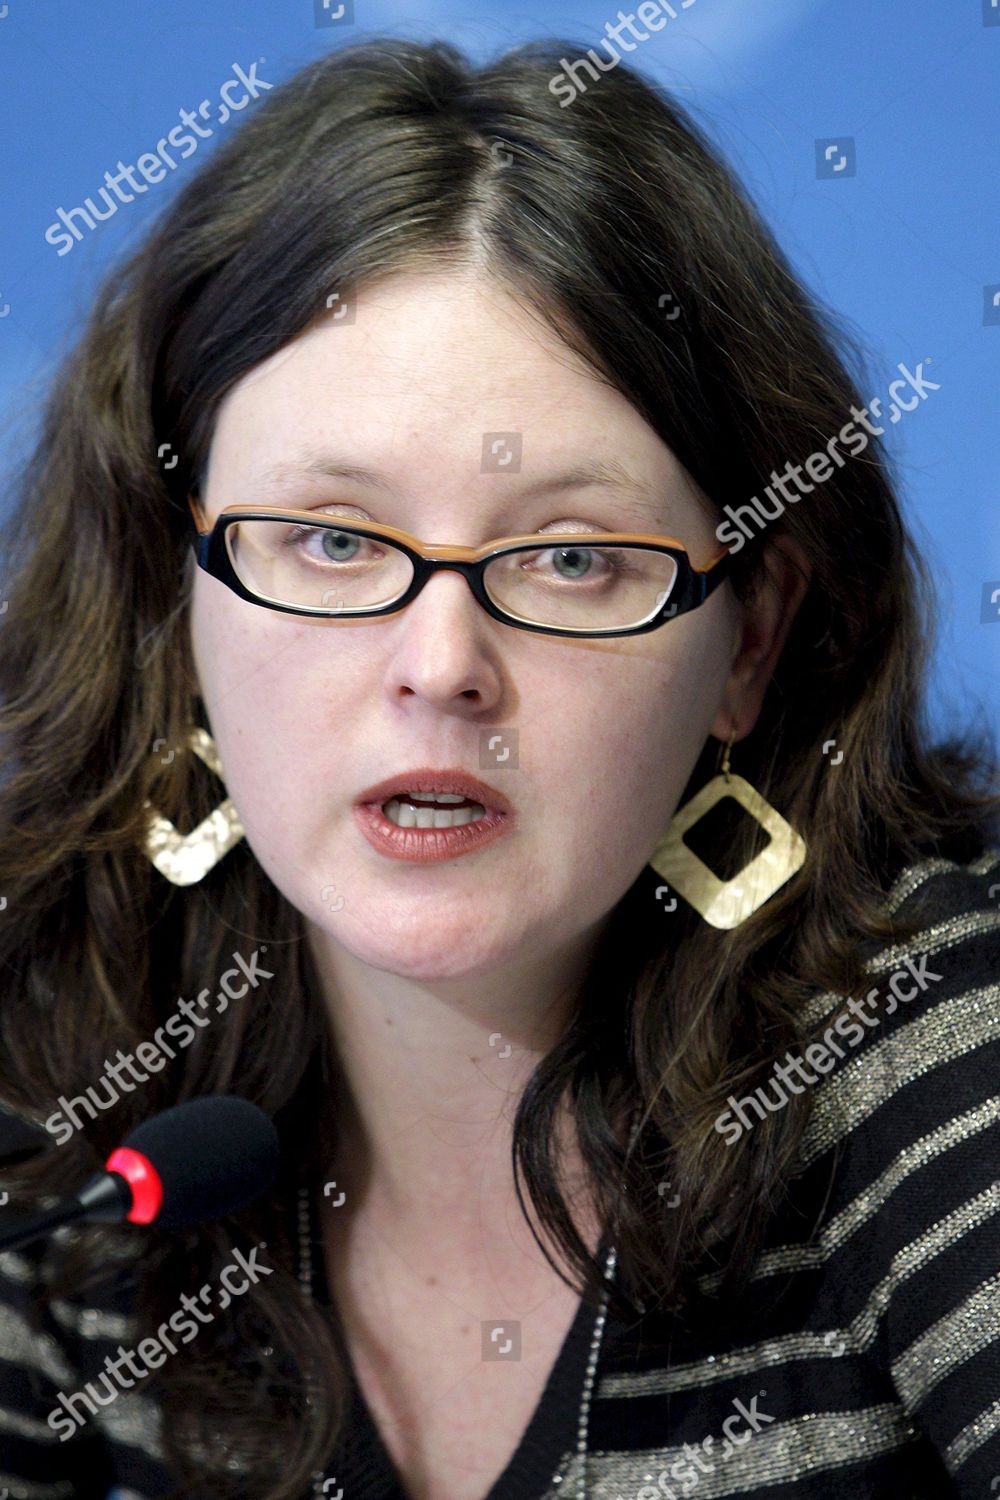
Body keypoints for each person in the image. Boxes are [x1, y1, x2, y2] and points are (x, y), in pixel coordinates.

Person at [0, 32, 997, 1500]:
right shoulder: (60, 1139)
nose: (441, 663)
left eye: (573, 557)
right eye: (334, 540)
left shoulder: (938, 1051)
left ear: (747, 644)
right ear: (174, 597)